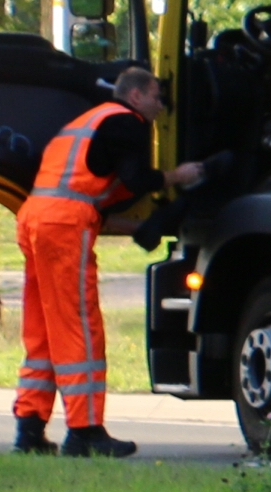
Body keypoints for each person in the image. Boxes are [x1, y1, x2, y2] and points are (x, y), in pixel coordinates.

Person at [13, 60, 206, 458]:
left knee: (43, 330)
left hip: (35, 218)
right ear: (136, 95)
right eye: (156, 96)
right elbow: (135, 179)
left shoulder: (90, 120)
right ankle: (85, 432)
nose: (160, 105)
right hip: (63, 227)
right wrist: (177, 176)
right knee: (79, 328)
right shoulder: (127, 122)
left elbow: (81, 188)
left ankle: (29, 431)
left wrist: (129, 224)